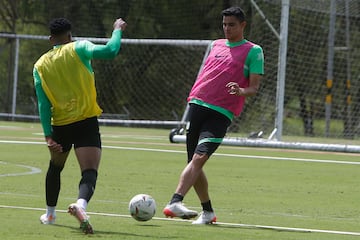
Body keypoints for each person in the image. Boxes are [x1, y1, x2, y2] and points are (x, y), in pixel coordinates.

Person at [163, 6, 264, 224]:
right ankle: (208, 212)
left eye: (232, 25)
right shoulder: (215, 45)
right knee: (194, 162)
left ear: (243, 25)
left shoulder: (254, 51)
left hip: (220, 113)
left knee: (199, 158)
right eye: (225, 24)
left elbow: (254, 88)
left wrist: (240, 90)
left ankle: (175, 200)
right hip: (197, 105)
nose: (227, 29)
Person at [33, 17, 127, 234]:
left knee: (55, 167)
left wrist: (48, 136)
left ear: (50, 40)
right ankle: (81, 205)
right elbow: (111, 51)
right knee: (89, 171)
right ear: (69, 36)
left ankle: (49, 213)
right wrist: (117, 30)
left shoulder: (39, 66)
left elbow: (43, 104)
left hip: (61, 125)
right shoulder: (80, 47)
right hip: (86, 121)